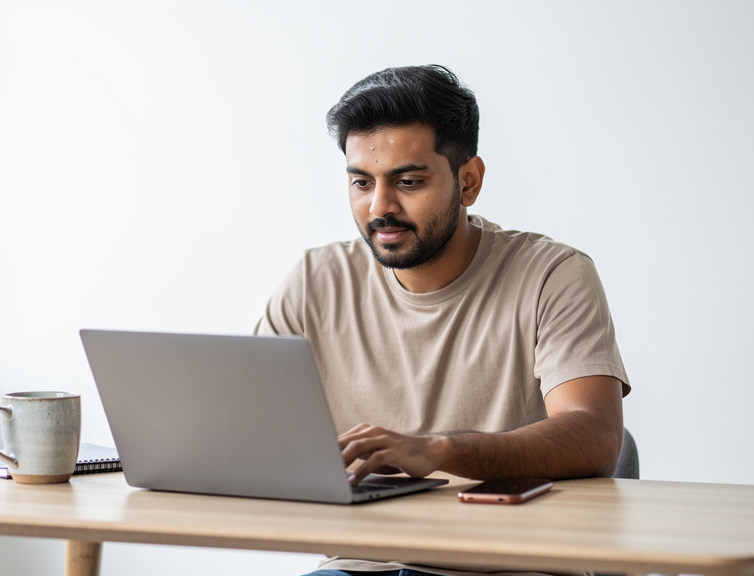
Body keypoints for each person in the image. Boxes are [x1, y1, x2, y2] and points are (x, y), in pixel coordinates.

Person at [255, 64, 630, 576]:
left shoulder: (552, 275)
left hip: (511, 567)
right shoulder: (314, 280)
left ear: (468, 181)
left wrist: (438, 450)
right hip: (359, 564)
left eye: (408, 181)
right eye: (362, 182)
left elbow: (595, 435)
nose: (379, 207)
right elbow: (247, 432)